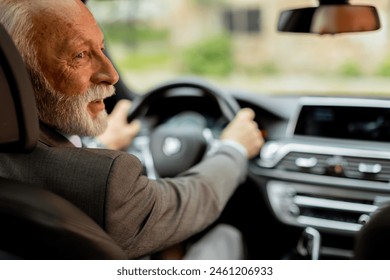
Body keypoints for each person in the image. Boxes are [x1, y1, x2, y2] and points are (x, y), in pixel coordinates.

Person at [0, 0, 264, 259]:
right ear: (16, 77)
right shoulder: (108, 179)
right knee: (228, 236)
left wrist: (100, 147)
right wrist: (233, 148)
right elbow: (188, 202)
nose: (111, 74)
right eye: (80, 55)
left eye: (102, 48)